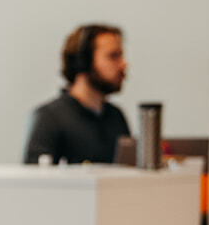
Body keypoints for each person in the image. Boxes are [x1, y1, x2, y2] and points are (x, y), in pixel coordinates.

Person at [23, 23, 131, 165]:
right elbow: (36, 176)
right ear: (84, 61)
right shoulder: (50, 118)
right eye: (113, 56)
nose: (123, 64)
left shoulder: (116, 117)